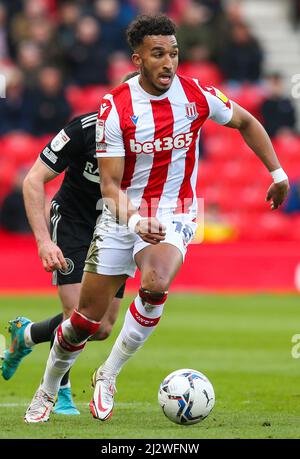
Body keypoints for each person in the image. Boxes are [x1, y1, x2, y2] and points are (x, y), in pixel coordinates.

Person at [24, 14, 289, 424]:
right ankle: (47, 388)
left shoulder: (197, 95)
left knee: (155, 283)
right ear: (138, 59)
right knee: (85, 323)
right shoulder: (116, 108)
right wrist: (133, 222)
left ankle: (107, 375)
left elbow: (246, 121)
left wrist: (277, 173)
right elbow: (110, 188)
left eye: (175, 53)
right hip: (120, 214)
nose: (169, 62)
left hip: (175, 211)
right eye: (158, 54)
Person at [1, 70, 141, 415]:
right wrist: (44, 242)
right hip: (74, 222)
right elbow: (33, 181)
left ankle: (27, 335)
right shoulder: (84, 129)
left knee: (102, 327)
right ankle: (58, 393)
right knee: (76, 313)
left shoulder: (153, 141)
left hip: (115, 228)